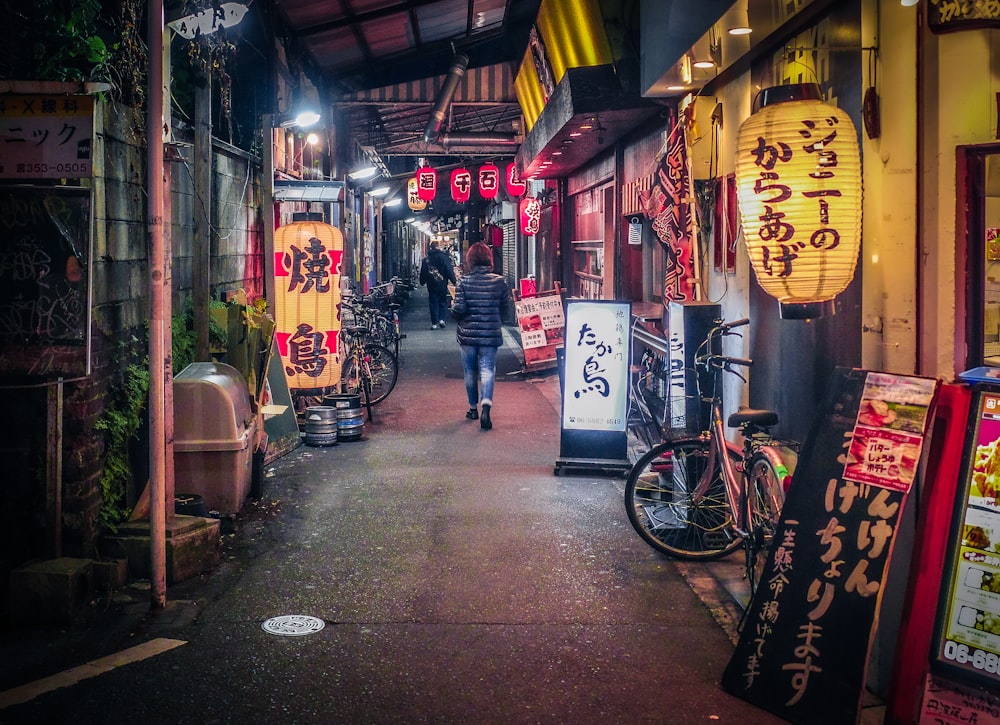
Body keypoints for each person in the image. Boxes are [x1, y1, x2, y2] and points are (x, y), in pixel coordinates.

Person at [450, 241, 512, 431]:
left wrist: (453, 310)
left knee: (470, 371)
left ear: (470, 260)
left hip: (468, 335)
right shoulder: (499, 281)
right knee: (487, 370)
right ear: (488, 258)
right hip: (490, 334)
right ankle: (486, 405)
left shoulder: (464, 282)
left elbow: (459, 309)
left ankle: (472, 408)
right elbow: (506, 309)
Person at [419, 240, 456, 330]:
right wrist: (454, 281)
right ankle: (442, 319)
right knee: (443, 301)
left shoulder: (426, 259)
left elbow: (423, 272)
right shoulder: (444, 257)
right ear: (438, 247)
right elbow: (448, 270)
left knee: (433, 302)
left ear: (431, 247)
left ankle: (434, 322)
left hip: (431, 284)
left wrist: (422, 281)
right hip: (442, 283)